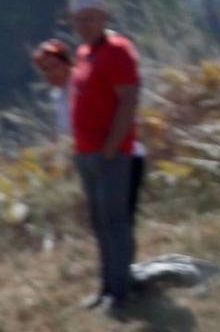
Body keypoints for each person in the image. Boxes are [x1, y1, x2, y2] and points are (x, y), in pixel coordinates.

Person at [65, 0, 142, 314]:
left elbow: (129, 100)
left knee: (115, 221)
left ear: (104, 17)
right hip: (87, 153)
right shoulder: (83, 53)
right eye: (79, 20)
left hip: (110, 153)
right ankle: (107, 287)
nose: (84, 25)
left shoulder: (118, 51)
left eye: (90, 18)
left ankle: (121, 291)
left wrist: (112, 145)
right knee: (100, 223)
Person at [33, 38, 147, 221]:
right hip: (93, 162)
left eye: (54, 66)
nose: (50, 73)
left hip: (118, 156)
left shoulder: (84, 86)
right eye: (45, 69)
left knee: (119, 222)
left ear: (67, 63)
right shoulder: (58, 97)